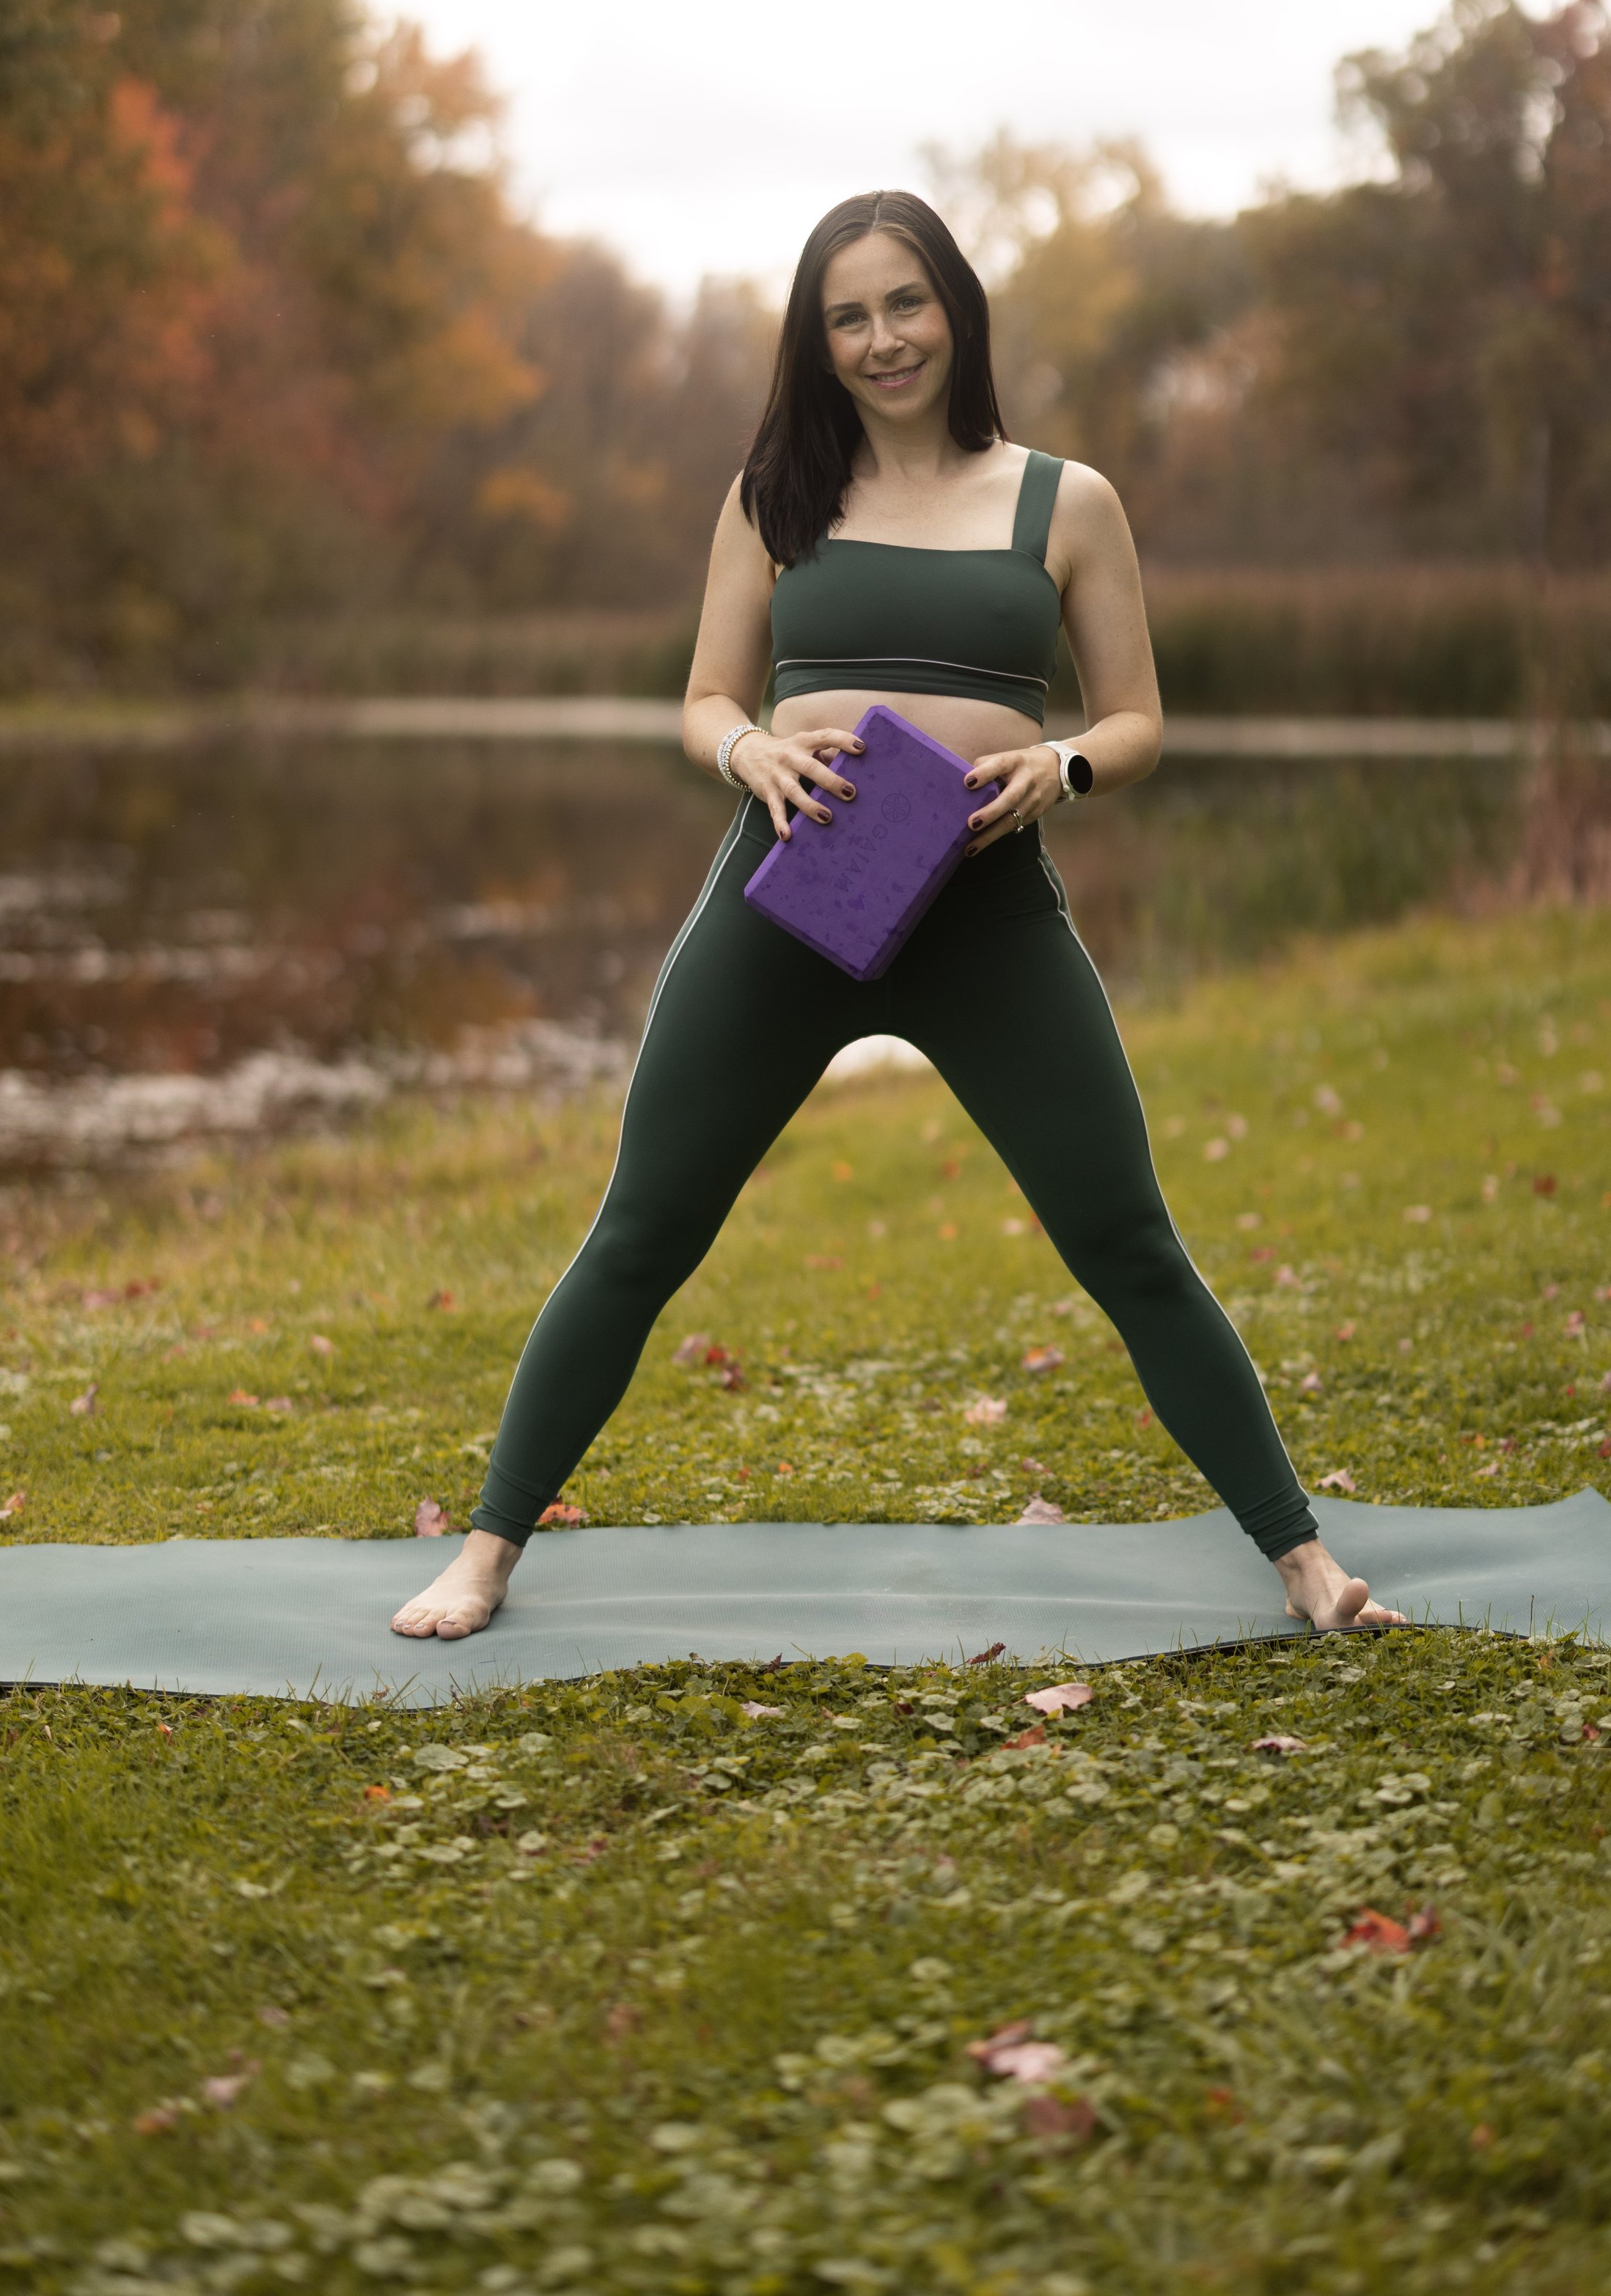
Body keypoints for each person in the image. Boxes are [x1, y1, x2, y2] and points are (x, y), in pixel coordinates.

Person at [393, 191, 1403, 1643]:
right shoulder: (772, 493)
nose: (880, 338)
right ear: (817, 341)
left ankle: (1300, 1558)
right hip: (796, 885)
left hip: (984, 900)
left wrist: (1055, 765)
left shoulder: (1067, 500)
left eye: (904, 303)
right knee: (641, 1228)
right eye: (847, 315)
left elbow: (1134, 720)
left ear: (957, 309)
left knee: (1126, 1237)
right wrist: (746, 749)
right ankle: (486, 1549)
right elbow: (701, 696)